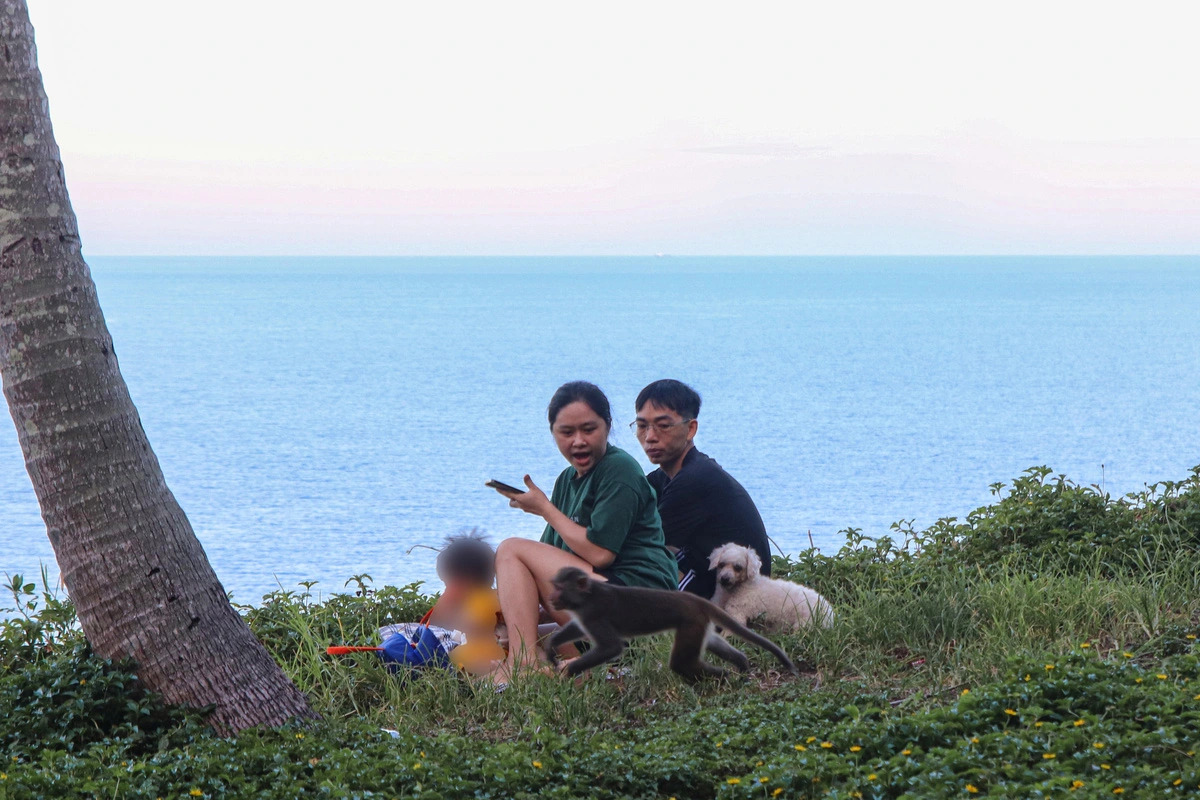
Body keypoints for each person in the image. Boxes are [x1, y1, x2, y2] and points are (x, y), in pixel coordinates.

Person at [490, 381, 677, 679]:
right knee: (526, 632)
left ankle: (524, 665)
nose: (578, 441)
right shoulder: (567, 480)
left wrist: (545, 509)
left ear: (608, 426)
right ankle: (580, 672)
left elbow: (601, 555)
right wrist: (504, 619)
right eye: (566, 432)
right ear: (553, 433)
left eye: (589, 430)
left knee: (511, 548)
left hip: (638, 604)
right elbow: (541, 574)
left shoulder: (620, 470)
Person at [632, 379, 771, 599]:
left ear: (690, 429)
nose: (650, 437)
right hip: (707, 574)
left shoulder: (696, 479)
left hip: (736, 596)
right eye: (642, 426)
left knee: (636, 557)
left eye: (663, 426)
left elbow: (639, 541)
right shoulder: (669, 476)